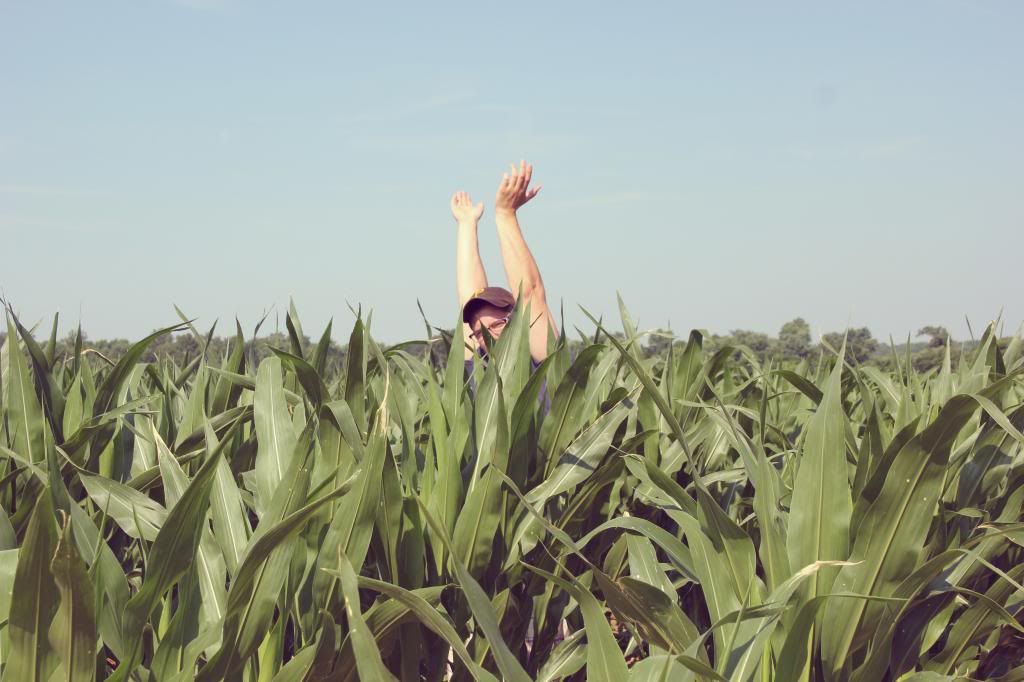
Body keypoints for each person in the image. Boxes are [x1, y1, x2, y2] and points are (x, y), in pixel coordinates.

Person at [451, 160, 558, 376]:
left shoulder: (542, 363)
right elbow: (467, 297)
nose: (488, 338)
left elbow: (530, 294)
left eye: (498, 325)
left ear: (518, 320)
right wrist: (466, 224)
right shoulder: (477, 372)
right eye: (480, 332)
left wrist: (506, 214)